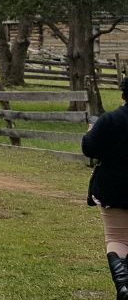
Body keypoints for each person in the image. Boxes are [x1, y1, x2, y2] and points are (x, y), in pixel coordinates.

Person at [83, 78, 128, 300]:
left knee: (117, 238)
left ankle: (123, 285)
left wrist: (90, 132)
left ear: (124, 95)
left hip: (114, 187)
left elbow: (89, 148)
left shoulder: (110, 120)